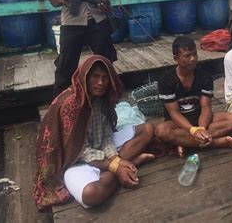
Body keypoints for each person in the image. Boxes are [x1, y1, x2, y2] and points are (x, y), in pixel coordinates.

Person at [33, 55, 155, 210]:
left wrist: (116, 160)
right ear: (85, 77)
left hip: (99, 151)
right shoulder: (70, 106)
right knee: (90, 195)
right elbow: (78, 151)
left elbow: (105, 136)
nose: (100, 83)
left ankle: (119, 170)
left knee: (148, 129)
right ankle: (129, 165)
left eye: (105, 78)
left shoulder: (101, 100)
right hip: (75, 161)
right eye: (95, 77)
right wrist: (115, 166)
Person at [155, 36, 232, 156]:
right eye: (187, 56)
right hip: (178, 123)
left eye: (195, 54)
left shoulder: (204, 77)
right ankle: (217, 143)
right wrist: (192, 130)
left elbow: (206, 108)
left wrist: (201, 129)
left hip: (199, 117)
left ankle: (186, 143)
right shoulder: (166, 80)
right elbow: (174, 114)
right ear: (176, 58)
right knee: (161, 131)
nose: (193, 59)